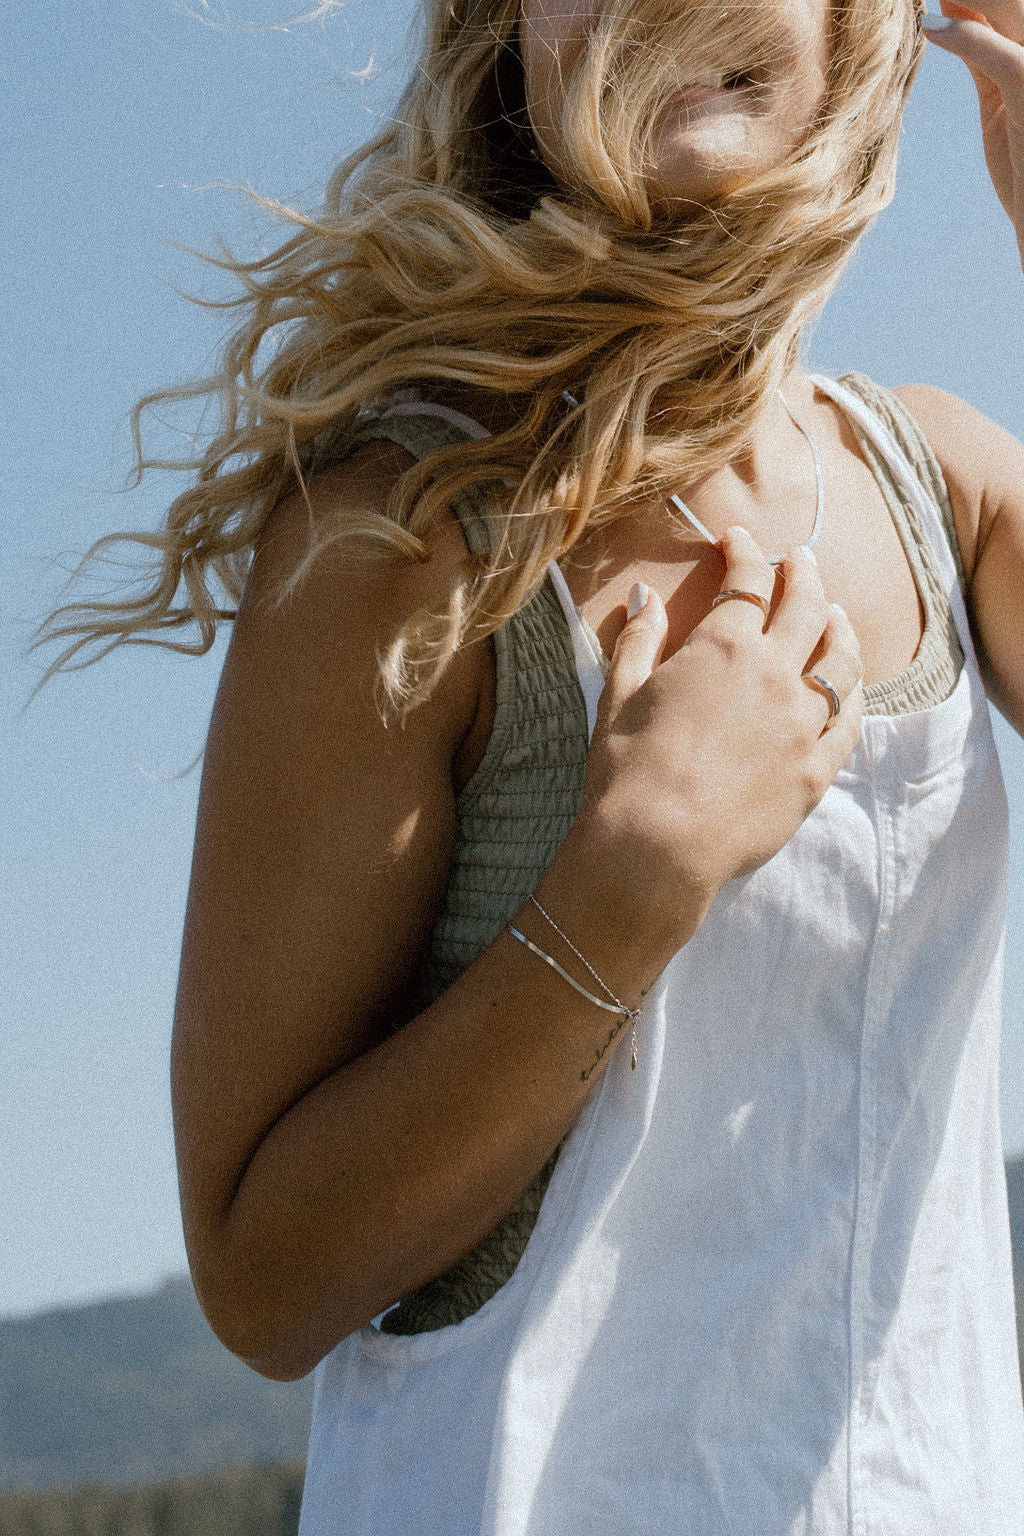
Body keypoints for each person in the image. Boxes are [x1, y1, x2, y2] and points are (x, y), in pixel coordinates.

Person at [37, 0, 1024, 1528]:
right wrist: (625, 888)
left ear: (864, 27)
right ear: (514, 42)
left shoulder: (941, 485)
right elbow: (261, 1276)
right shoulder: (396, 537)